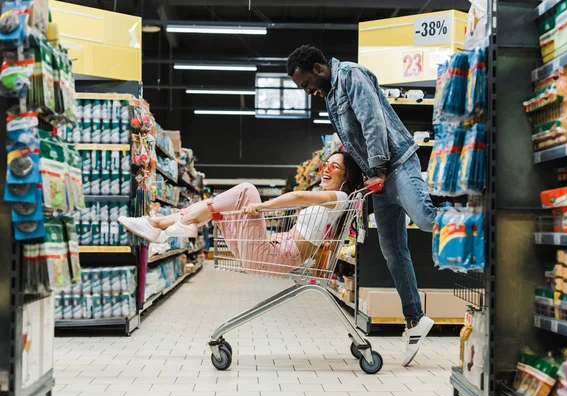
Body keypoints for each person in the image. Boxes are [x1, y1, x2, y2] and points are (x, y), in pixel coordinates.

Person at [286, 45, 437, 367]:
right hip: (376, 176)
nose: (307, 91)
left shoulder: (351, 75)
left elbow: (372, 122)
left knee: (425, 220)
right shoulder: (329, 94)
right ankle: (415, 319)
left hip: (397, 165)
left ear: (317, 67)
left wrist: (379, 169)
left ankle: (467, 219)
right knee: (393, 250)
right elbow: (352, 139)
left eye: (305, 84)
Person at [118, 151, 363, 274]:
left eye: (335, 166)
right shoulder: (334, 200)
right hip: (273, 251)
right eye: (325, 164)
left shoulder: (340, 198)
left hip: (276, 257)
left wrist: (262, 207)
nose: (326, 170)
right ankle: (162, 224)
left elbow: (298, 196)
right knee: (221, 207)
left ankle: (164, 224)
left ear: (346, 175)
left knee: (247, 189)